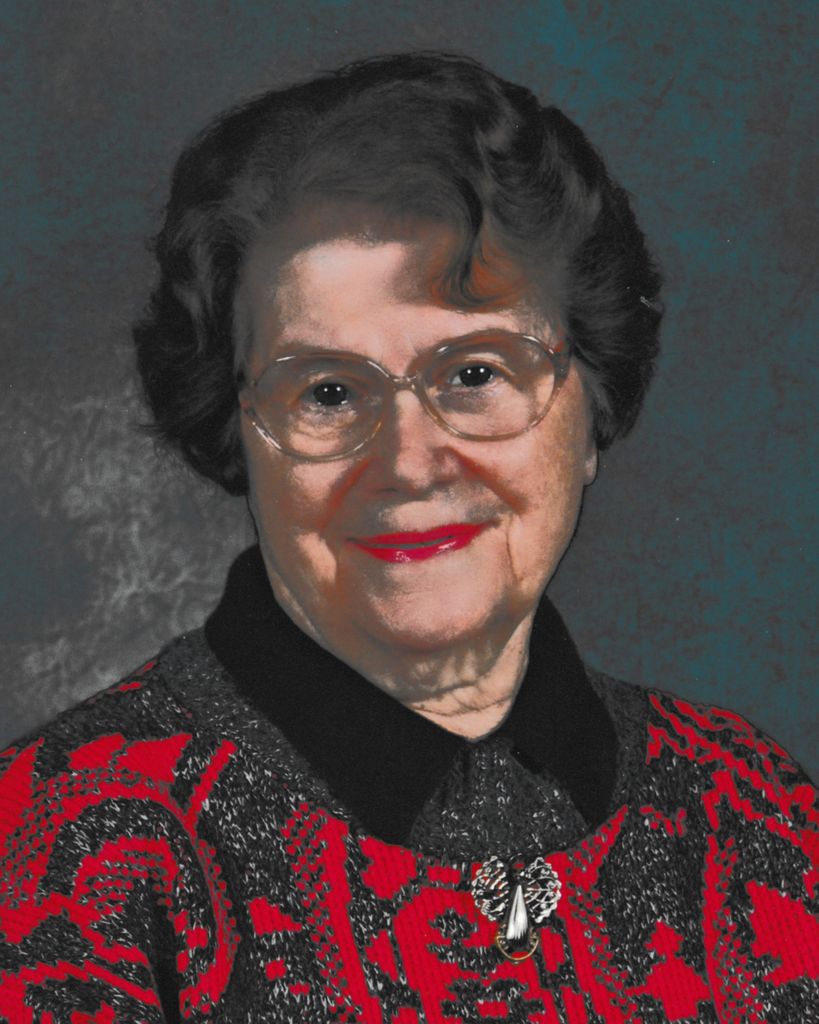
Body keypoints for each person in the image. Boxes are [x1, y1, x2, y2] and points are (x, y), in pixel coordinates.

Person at [0, 52, 816, 1023]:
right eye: (327, 392)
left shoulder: (757, 813)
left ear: (593, 409)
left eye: (475, 373)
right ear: (234, 430)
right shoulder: (63, 846)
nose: (409, 463)